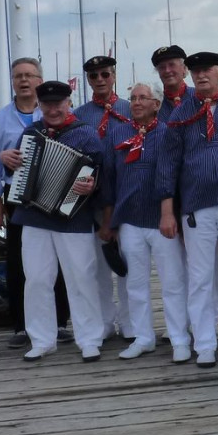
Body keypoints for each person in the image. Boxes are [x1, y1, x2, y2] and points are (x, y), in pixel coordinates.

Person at [156, 51, 218, 368]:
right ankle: (205, 344)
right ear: (189, 73)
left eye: (207, 70)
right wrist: (167, 211)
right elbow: (168, 165)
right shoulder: (179, 116)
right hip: (196, 206)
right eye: (196, 71)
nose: (202, 76)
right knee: (200, 278)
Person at [10, 80, 104, 362]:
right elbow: (16, 170)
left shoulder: (86, 135)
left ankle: (89, 338)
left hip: (73, 217)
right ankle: (41, 338)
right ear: (39, 105)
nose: (53, 109)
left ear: (68, 103)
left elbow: (103, 173)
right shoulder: (31, 132)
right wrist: (7, 159)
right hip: (34, 215)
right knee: (37, 278)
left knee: (81, 277)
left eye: (58, 104)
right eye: (47, 104)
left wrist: (93, 185)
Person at [0, 58, 71, 350]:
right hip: (16, 196)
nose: (23, 81)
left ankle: (59, 322)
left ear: (39, 80)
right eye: (18, 76)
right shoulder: (1, 119)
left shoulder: (53, 112)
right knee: (19, 260)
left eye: (29, 75)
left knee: (57, 257)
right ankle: (22, 325)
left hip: (52, 190)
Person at [99, 82, 191, 362]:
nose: (137, 102)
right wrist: (109, 222)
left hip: (161, 220)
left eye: (143, 98)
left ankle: (179, 338)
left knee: (173, 281)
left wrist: (173, 213)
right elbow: (109, 181)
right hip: (129, 221)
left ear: (156, 104)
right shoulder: (118, 134)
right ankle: (143, 337)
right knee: (134, 284)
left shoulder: (168, 134)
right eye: (133, 98)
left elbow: (176, 178)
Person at [72, 54, 132, 341]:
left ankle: (131, 324)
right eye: (94, 76)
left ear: (114, 76)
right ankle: (104, 324)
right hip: (92, 199)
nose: (100, 80)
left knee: (128, 266)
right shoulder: (80, 115)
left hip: (127, 196)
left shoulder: (132, 110)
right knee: (98, 267)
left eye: (105, 74)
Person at [152, 45, 190, 122]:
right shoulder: (154, 105)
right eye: (162, 67)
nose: (167, 70)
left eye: (172, 65)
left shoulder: (199, 98)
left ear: (184, 68)